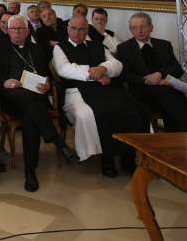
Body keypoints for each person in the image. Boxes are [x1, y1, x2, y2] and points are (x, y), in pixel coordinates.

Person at [51, 16, 150, 177]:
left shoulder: (97, 45)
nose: (77, 32)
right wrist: (94, 74)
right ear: (68, 29)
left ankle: (128, 156)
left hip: (106, 88)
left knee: (134, 108)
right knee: (100, 111)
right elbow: (65, 69)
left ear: (87, 31)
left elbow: (117, 65)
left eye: (81, 29)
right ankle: (107, 158)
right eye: (73, 28)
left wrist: (103, 69)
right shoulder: (59, 48)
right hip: (78, 90)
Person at [0, 16, 76, 192]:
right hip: (11, 99)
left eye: (21, 29)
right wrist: (5, 83)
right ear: (7, 31)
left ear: (28, 31)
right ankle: (58, 143)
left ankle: (30, 173)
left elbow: (47, 75)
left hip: (36, 98)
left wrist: (46, 84)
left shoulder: (38, 50)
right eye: (13, 29)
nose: (17, 32)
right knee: (32, 104)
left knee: (31, 115)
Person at [115, 13, 187, 132]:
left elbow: (177, 69)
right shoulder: (124, 48)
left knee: (168, 94)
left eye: (143, 26)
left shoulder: (164, 45)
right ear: (131, 30)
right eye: (134, 28)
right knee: (170, 97)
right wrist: (150, 80)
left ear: (151, 27)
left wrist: (159, 74)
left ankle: (180, 136)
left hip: (166, 87)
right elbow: (125, 76)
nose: (139, 31)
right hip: (142, 92)